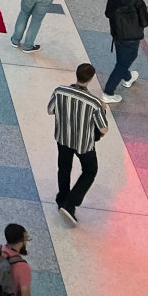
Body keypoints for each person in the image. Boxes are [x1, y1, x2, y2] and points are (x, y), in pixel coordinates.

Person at [48, 63, 109, 224]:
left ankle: (62, 198)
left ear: (77, 74)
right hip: (84, 144)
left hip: (63, 138)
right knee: (90, 171)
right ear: (90, 79)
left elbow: (50, 110)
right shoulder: (94, 103)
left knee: (64, 168)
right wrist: (103, 109)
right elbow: (103, 129)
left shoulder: (60, 91)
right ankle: (71, 203)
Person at [101, 0, 148, 104]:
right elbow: (144, 22)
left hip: (117, 35)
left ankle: (128, 78)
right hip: (131, 38)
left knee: (122, 60)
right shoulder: (139, 2)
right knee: (122, 64)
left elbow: (107, 13)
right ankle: (108, 92)